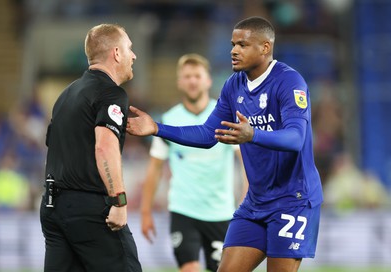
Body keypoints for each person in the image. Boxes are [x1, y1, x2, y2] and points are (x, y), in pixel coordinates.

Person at [127, 16, 323, 272]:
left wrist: (252, 134)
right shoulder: (234, 86)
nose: (233, 50)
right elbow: (209, 134)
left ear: (265, 47)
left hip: (293, 199)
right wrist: (157, 128)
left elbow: (296, 139)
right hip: (257, 202)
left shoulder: (289, 82)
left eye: (242, 45)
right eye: (233, 44)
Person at [40, 24, 142, 272]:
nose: (134, 55)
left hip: (53, 207)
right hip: (89, 210)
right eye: (129, 48)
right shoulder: (111, 93)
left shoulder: (66, 94)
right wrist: (118, 201)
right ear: (117, 53)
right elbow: (105, 147)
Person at [141, 54, 247, 272]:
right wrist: (145, 212)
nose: (192, 81)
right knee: (189, 268)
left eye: (197, 76)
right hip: (183, 210)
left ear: (208, 80)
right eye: (187, 76)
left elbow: (247, 164)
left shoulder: (226, 117)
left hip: (220, 212)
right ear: (180, 82)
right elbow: (155, 169)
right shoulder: (168, 120)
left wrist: (246, 203)